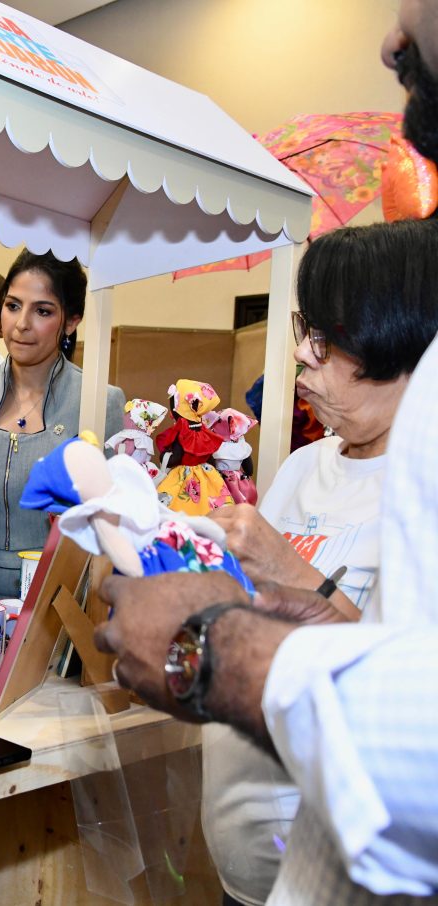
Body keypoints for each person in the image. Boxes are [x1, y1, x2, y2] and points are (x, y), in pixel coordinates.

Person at [198, 220, 438, 906]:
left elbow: (409, 697)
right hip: (245, 862)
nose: (301, 354)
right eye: (308, 329)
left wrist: (292, 571)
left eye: (328, 338)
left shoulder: (422, 487)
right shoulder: (305, 465)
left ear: (402, 341)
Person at [0, 250, 125, 604]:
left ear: (71, 321)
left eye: (42, 311)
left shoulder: (98, 402)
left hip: (57, 596)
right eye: (13, 306)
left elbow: (111, 524)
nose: (22, 324)